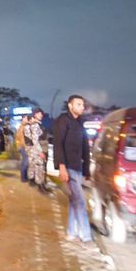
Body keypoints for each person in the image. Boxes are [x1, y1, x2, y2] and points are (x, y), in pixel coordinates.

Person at [52, 95, 92, 243]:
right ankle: (86, 238)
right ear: (70, 106)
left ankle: (71, 232)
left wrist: (86, 171)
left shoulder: (80, 123)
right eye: (79, 104)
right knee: (80, 200)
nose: (82, 107)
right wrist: (61, 166)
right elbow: (58, 144)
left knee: (74, 199)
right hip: (67, 167)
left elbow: (85, 148)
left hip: (78, 167)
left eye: (83, 104)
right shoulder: (63, 121)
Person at [26, 107, 49, 193]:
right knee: (39, 168)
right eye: (38, 113)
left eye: (41, 113)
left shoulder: (38, 124)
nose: (41, 115)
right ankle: (40, 186)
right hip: (38, 150)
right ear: (34, 115)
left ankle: (41, 184)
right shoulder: (35, 125)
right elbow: (35, 140)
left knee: (40, 167)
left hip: (40, 149)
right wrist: (40, 152)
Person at [16, 114, 30, 182]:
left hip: (21, 145)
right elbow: (23, 138)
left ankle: (24, 177)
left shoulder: (21, 126)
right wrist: (26, 146)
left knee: (24, 161)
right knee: (25, 162)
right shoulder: (24, 126)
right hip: (23, 146)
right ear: (23, 119)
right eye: (27, 118)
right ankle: (24, 177)